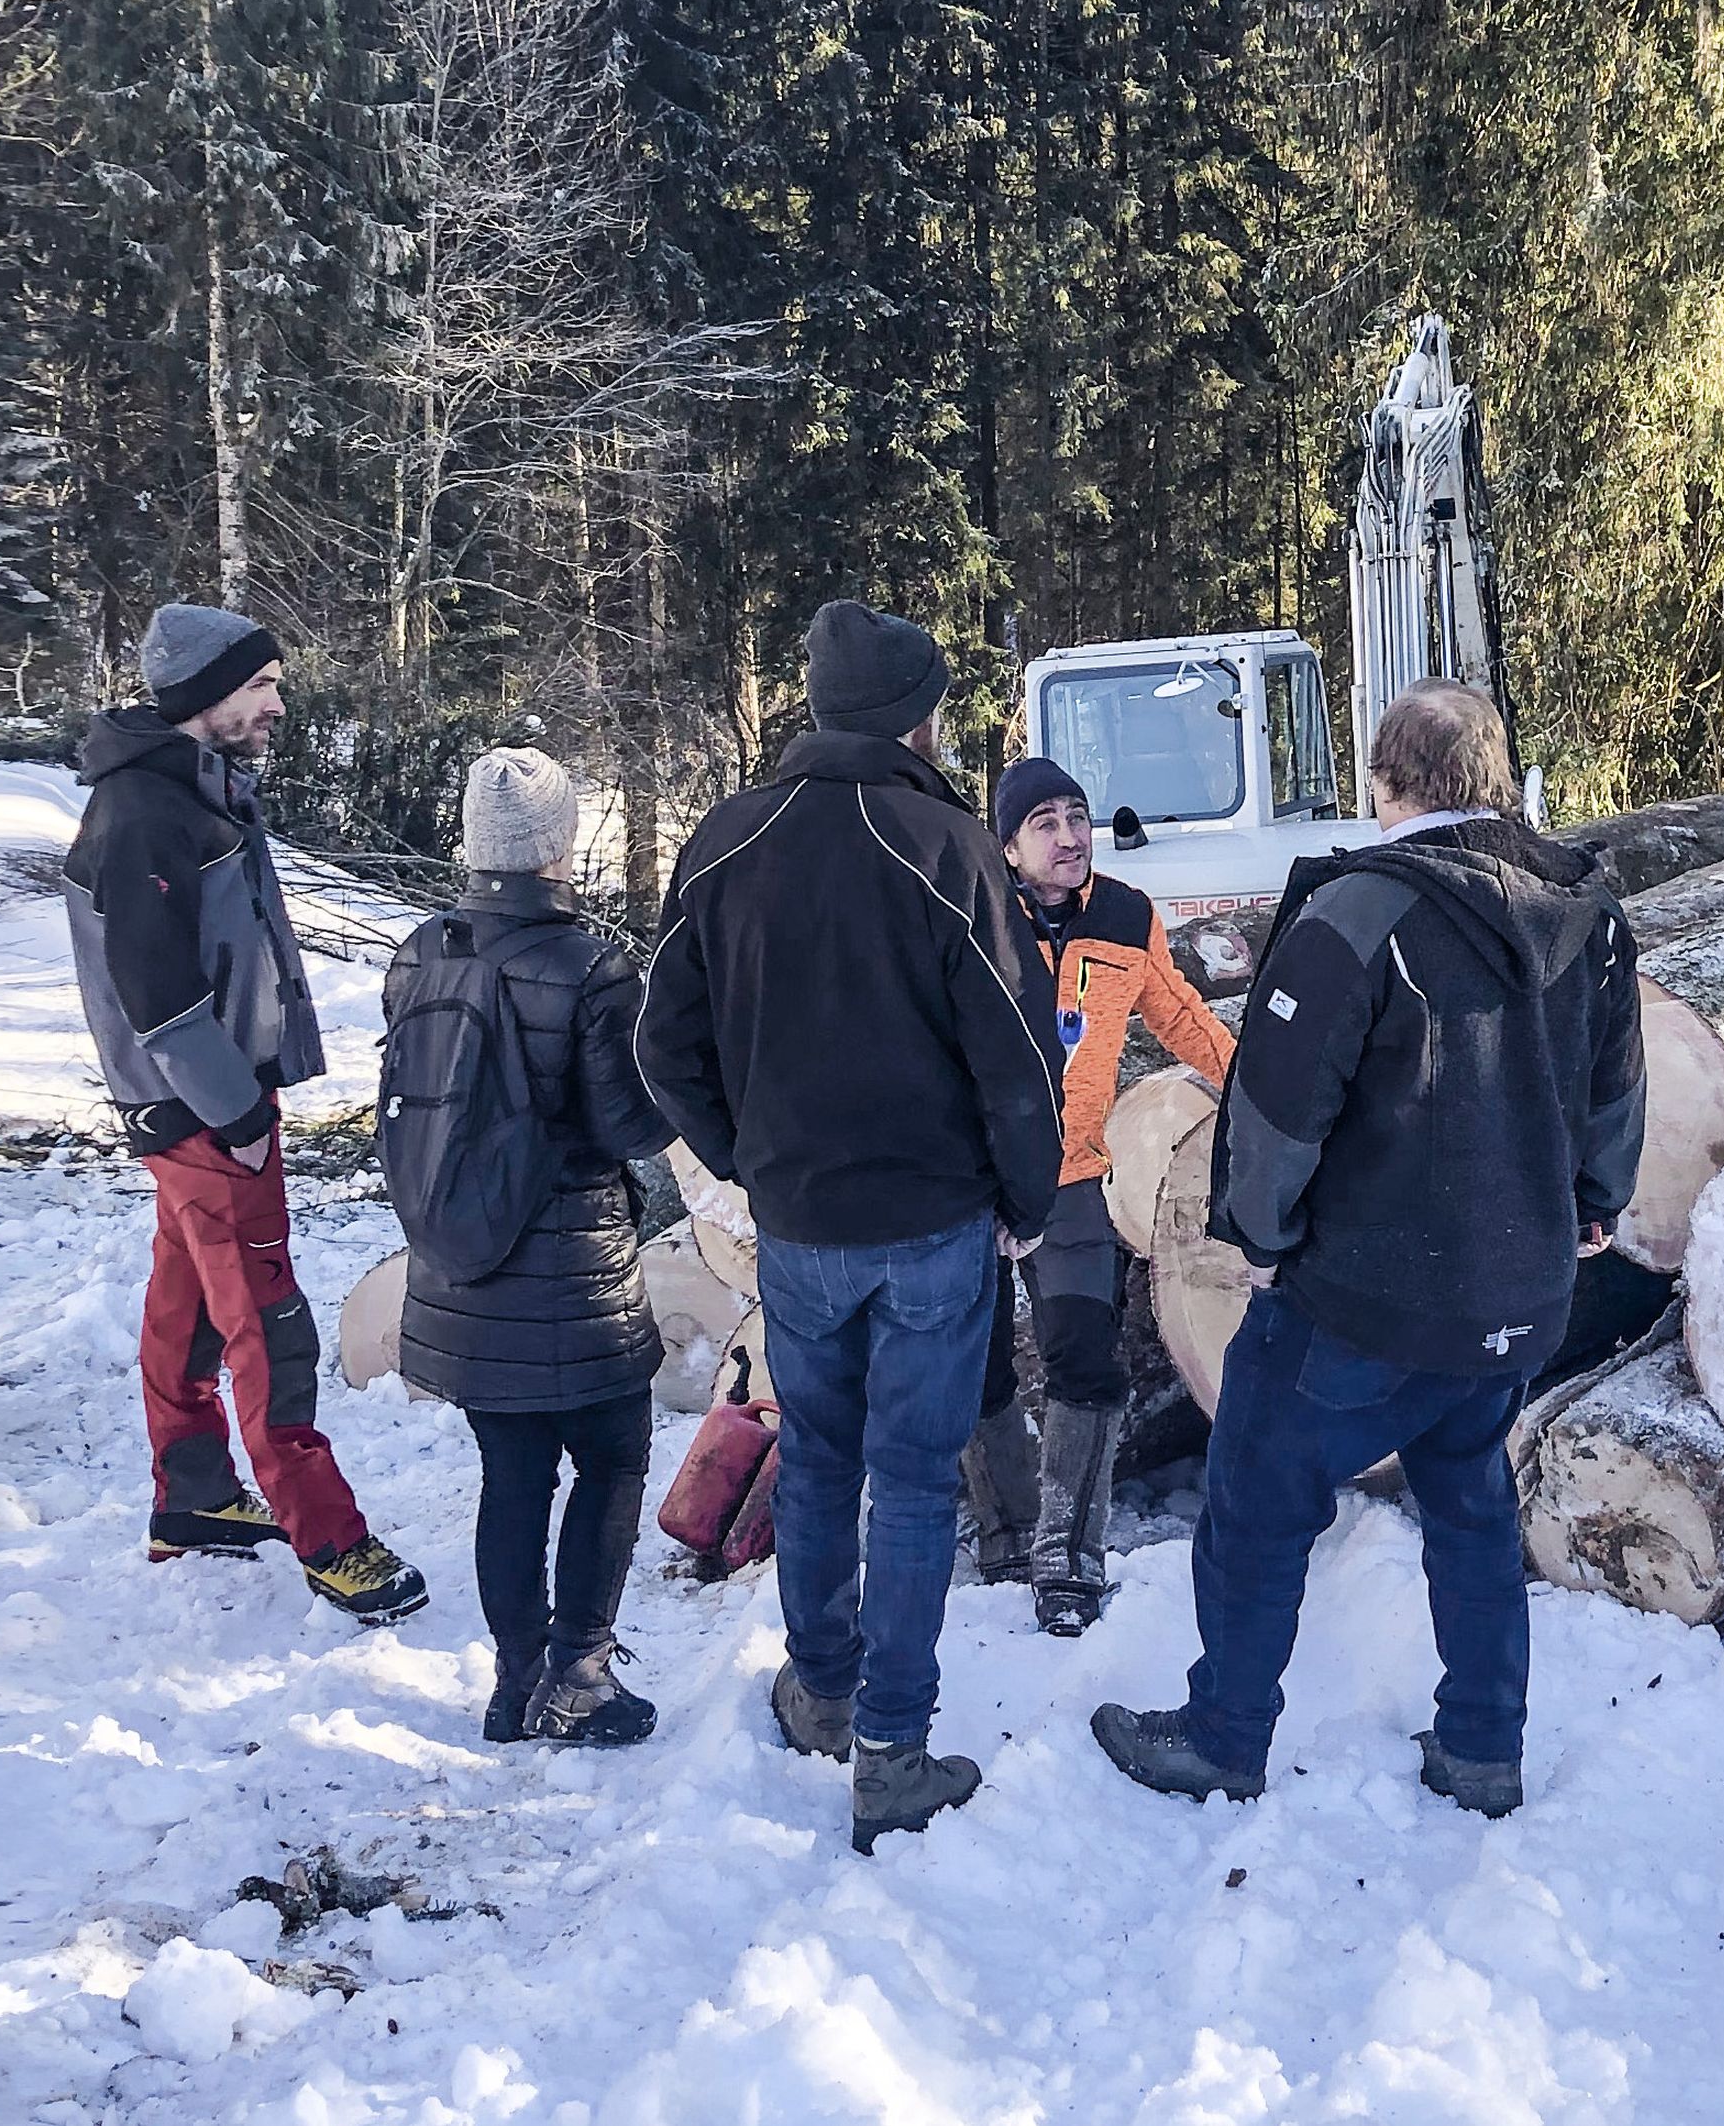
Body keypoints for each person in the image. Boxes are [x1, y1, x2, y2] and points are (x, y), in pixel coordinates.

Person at [1091, 680, 1642, 1817]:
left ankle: (1223, 1731)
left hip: (1365, 1294)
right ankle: (1484, 1743)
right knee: (1472, 1501)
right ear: (1493, 778)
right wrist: (1595, 1197)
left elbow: (1280, 1108)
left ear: (1384, 782)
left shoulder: (1363, 913)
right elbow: (1615, 1081)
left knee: (1255, 1492)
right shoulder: (1589, 909)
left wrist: (1256, 1232)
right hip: (1512, 1290)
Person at [636, 599, 1062, 1853]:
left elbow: (665, 1043)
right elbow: (1020, 1059)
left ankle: (824, 1684)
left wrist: (746, 1154)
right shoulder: (945, 845)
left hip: (805, 1224)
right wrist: (1024, 1202)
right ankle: (887, 1743)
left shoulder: (725, 840)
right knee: (914, 1481)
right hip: (930, 1223)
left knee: (823, 1456)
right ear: (916, 716)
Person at [64, 605, 427, 1624]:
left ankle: (192, 1494)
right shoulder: (143, 815)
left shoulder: (186, 792)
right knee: (269, 1324)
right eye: (260, 684)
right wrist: (236, 1114)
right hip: (203, 1110)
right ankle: (331, 1539)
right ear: (203, 696)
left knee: (185, 1301)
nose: (278, 702)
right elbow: (159, 997)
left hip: (201, 1106)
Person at [388, 747, 677, 1748]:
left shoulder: (421, 951)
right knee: (611, 1460)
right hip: (574, 1276)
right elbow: (627, 1124)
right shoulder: (590, 965)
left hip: (464, 1271)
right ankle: (581, 1678)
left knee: (510, 1475)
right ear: (557, 844)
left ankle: (516, 1683)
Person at [979, 755, 1239, 1634]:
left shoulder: (1126, 916)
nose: (1069, 836)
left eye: (1076, 816)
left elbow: (1182, 1017)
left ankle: (1069, 1551)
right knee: (977, 1364)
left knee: (1086, 1361)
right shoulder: (972, 916)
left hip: (1072, 1179)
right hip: (972, 1185)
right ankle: (1008, 1529)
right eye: (1043, 823)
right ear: (1009, 846)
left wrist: (1261, 1091)